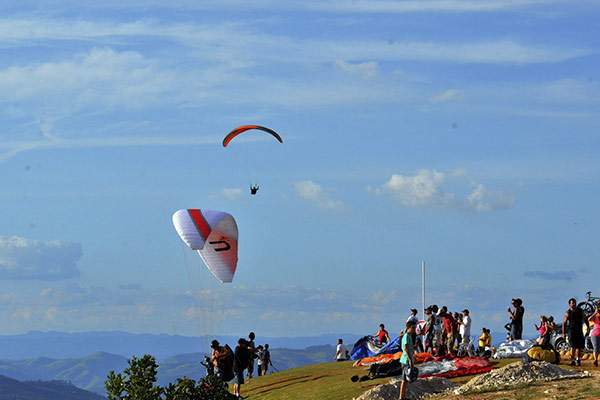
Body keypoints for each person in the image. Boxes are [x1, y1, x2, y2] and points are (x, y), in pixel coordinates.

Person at [563, 298, 589, 366]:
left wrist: (588, 327)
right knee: (573, 346)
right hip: (571, 331)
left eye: (575, 302)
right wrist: (564, 333)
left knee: (579, 347)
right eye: (572, 303)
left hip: (579, 330)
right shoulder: (568, 312)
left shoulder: (580, 311)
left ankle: (578, 359)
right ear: (569, 304)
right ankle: (572, 360)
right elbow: (564, 323)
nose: (574, 304)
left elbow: (585, 319)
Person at [399, 320, 416, 400]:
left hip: (408, 360)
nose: (414, 329)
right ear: (408, 328)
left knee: (406, 380)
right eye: (413, 328)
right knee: (405, 379)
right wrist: (410, 360)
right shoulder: (406, 336)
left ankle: (403, 397)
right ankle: (401, 397)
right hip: (406, 360)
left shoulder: (409, 336)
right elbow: (405, 348)